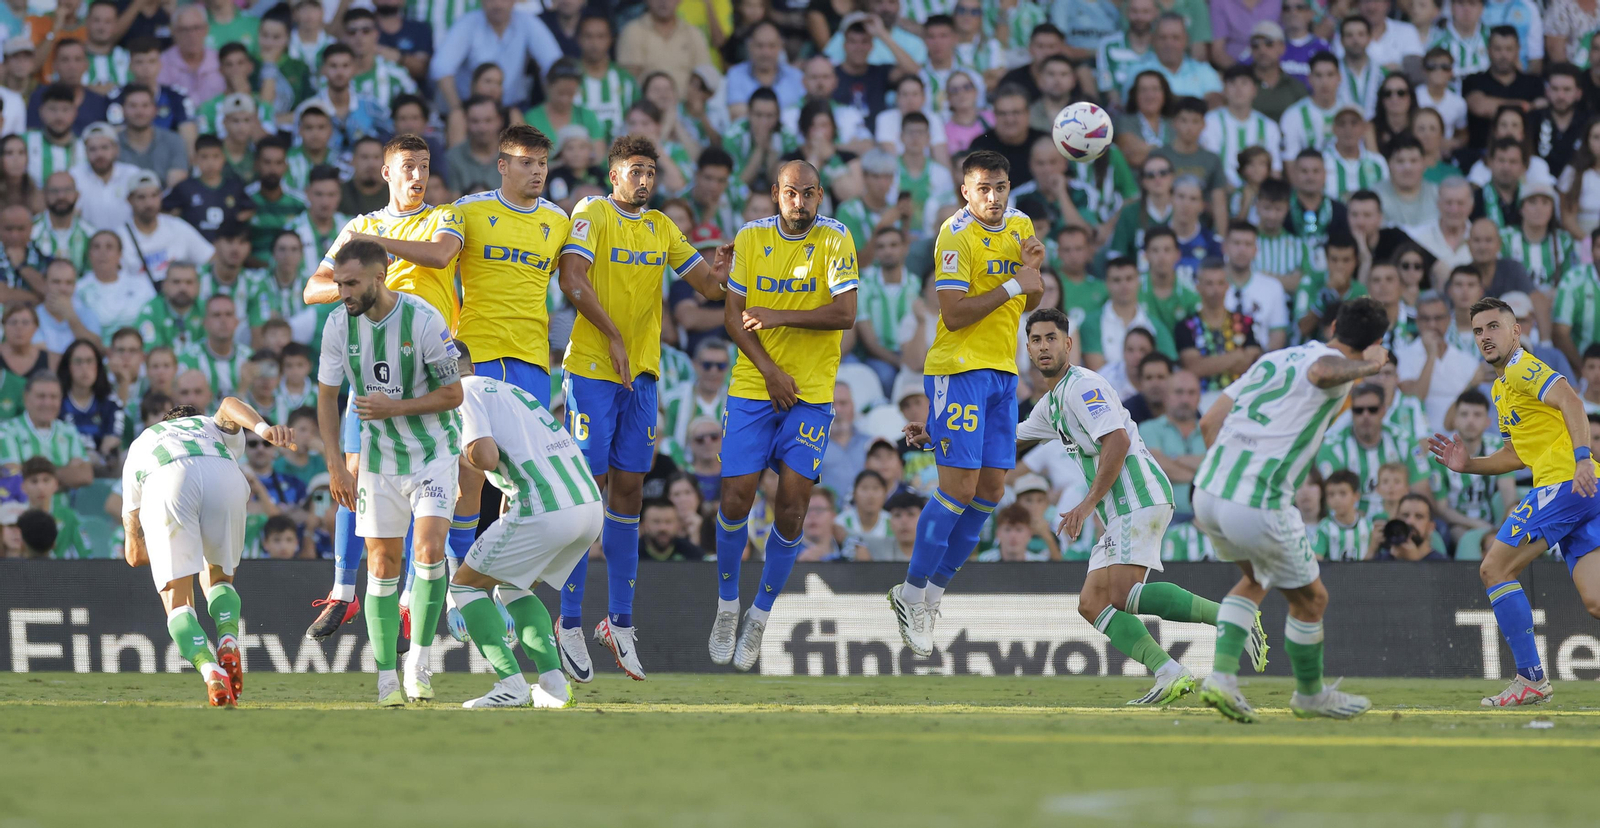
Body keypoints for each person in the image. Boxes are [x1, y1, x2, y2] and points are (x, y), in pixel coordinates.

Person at [912, 308, 1264, 703]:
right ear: (1027, 349)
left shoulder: (1083, 386)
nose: (1044, 347)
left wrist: (1086, 504)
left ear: (1068, 343)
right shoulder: (1051, 402)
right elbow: (1003, 439)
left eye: (1051, 338)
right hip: (1119, 508)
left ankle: (1234, 617)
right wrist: (938, 433)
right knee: (1093, 603)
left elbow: (1118, 441)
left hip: (1138, 496)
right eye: (1036, 340)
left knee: (1124, 593)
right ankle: (1169, 671)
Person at [553, 134, 730, 683]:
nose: (645, 179)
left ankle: (620, 623)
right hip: (592, 370)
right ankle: (568, 621)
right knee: (587, 493)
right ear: (613, 175)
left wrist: (721, 272)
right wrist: (613, 336)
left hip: (643, 376)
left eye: (651, 170)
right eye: (635, 169)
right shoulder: (592, 213)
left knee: (629, 489)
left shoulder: (661, 227)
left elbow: (704, 286)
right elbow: (572, 280)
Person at [1192, 296, 1392, 722]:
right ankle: (1309, 695)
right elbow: (1323, 371)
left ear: (1334, 323)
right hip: (1257, 500)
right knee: (1312, 600)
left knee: (1255, 580)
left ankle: (1223, 677)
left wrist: (1229, 481)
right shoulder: (1334, 369)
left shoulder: (1275, 357)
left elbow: (1209, 422)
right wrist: (1374, 366)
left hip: (1208, 492)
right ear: (1376, 341)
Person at [301, 134, 466, 645]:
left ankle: (413, 597)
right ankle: (343, 591)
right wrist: (362, 284)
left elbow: (440, 259)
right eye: (408, 167)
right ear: (386, 172)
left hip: (429, 362)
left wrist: (377, 250)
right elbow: (313, 289)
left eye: (424, 166)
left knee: (433, 479)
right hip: (370, 361)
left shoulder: (445, 218)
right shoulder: (359, 227)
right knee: (354, 475)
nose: (418, 176)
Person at [886, 150, 1043, 657]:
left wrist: (1031, 273)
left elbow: (1031, 298)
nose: (993, 198)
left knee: (992, 490)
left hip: (1002, 371)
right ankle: (909, 592)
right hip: (957, 369)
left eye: (1000, 186)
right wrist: (1016, 280)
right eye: (983, 189)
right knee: (957, 489)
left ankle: (931, 597)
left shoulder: (1021, 224)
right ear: (965, 192)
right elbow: (952, 315)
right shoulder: (954, 236)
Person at [709, 160, 857, 671]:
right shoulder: (750, 238)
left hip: (812, 393)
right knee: (736, 495)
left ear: (820, 195)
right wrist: (770, 369)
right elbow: (732, 315)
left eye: (810, 194)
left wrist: (778, 315)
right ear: (776, 194)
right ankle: (728, 606)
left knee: (792, 508)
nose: (801, 203)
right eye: (791, 194)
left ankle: (761, 613)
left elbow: (845, 314)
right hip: (754, 385)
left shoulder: (836, 239)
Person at [1429, 296, 1600, 706]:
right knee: (1595, 600)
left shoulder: (1523, 366)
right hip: (1578, 492)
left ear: (1515, 331)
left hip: (1566, 484)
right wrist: (1468, 464)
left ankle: (1531, 678)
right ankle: (1532, 679)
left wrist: (1581, 461)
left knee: (1494, 568)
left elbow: (1573, 402)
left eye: (1493, 327)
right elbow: (1516, 456)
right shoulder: (1502, 387)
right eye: (1478, 331)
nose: (1485, 337)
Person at [315, 239, 464, 707]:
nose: (343, 293)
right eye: (338, 284)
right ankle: (385, 680)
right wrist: (336, 464)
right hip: (378, 461)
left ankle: (418, 664)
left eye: (352, 283)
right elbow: (326, 397)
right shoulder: (339, 324)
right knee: (382, 566)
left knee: (429, 548)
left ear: (379, 277)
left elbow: (453, 394)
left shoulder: (422, 319)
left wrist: (394, 407)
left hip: (434, 452)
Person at [449, 358, 602, 709]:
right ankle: (552, 685)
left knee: (464, 586)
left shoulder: (462, 392)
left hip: (546, 507)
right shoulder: (508, 390)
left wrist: (454, 451)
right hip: (589, 506)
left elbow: (484, 456)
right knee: (512, 585)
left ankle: (511, 684)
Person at [122, 395, 291, 706]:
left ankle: (210, 669)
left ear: (165, 425)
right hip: (224, 476)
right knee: (219, 579)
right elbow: (228, 403)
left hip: (167, 481)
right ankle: (227, 638)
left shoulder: (142, 443)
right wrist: (263, 429)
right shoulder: (211, 427)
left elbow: (134, 554)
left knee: (177, 600)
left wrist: (173, 554)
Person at [1201, 65, 1282, 189]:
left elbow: (1275, 170)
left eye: (1244, 83)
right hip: (1221, 192)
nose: (1238, 89)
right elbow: (1210, 165)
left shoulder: (1268, 126)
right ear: (1224, 90)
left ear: (1254, 90)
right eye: (1232, 83)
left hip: (1259, 196)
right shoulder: (1210, 121)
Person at [1311, 469, 1372, 561]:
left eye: (1343, 493)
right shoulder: (1324, 528)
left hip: (1365, 575)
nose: (1337, 499)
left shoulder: (1368, 527)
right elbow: (1316, 560)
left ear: (1356, 496)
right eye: (1331, 494)